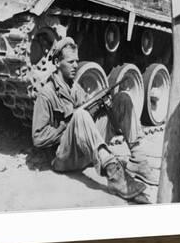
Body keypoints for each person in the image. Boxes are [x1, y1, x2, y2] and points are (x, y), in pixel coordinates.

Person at [32, 37, 157, 203]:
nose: (75, 65)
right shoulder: (46, 94)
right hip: (64, 158)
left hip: (84, 152)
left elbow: (87, 123)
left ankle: (138, 160)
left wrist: (104, 107)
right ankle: (115, 177)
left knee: (122, 99)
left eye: (77, 61)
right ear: (57, 62)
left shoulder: (75, 88)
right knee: (80, 115)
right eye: (70, 62)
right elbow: (38, 138)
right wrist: (68, 125)